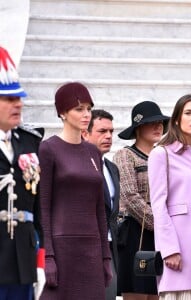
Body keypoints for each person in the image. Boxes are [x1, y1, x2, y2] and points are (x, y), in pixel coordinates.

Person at [39, 82, 112, 299]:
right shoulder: (48, 148)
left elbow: (100, 208)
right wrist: (48, 256)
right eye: (79, 109)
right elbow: (43, 207)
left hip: (91, 249)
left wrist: (106, 258)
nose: (86, 114)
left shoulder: (93, 151)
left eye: (89, 109)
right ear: (62, 112)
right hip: (61, 249)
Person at [148, 93, 191, 300]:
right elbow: (158, 205)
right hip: (179, 247)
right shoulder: (161, 154)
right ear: (176, 119)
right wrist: (169, 249)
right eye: (189, 113)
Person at [0, 46, 45, 300]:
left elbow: (39, 208)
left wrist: (40, 261)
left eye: (18, 98)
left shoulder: (29, 142)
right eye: (8, 99)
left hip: (23, 260)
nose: (18, 104)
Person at [113, 101, 169, 300]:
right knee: (137, 293)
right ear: (138, 127)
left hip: (163, 233)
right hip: (136, 231)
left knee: (157, 292)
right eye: (151, 123)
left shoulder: (165, 155)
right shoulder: (125, 155)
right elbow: (129, 196)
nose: (158, 127)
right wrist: (162, 224)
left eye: (161, 122)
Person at [82, 109, 120, 300]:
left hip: (109, 247)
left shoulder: (112, 168)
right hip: (82, 248)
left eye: (111, 132)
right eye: (102, 131)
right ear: (85, 133)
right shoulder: (77, 167)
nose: (108, 136)